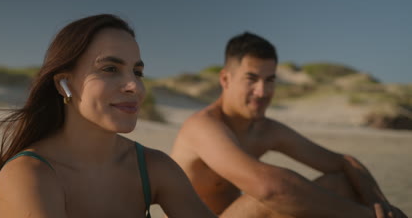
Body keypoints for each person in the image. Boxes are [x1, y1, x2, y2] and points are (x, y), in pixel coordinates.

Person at [0, 14, 216, 218]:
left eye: (138, 72)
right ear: (64, 84)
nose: (134, 86)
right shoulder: (31, 174)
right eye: (110, 69)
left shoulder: (152, 167)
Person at [170, 32, 407, 218]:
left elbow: (345, 163)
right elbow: (269, 189)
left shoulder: (266, 130)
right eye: (251, 79)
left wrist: (381, 205)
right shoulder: (202, 127)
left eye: (270, 80)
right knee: (265, 194)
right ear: (225, 79)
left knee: (341, 183)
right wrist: (364, 215)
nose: (262, 92)